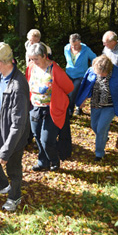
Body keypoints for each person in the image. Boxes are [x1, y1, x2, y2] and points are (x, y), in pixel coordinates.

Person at [0, 42, 30, 212]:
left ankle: (14, 196)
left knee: (13, 168)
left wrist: (6, 150)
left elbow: (19, 123)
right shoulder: (2, 74)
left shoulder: (18, 86)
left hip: (14, 133)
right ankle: (0, 185)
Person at [75, 55, 118, 161]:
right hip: (95, 104)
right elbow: (86, 87)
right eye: (98, 73)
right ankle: (103, 138)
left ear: (108, 69)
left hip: (110, 106)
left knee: (101, 128)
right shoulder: (92, 70)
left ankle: (99, 153)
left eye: (102, 74)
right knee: (94, 126)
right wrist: (82, 100)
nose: (100, 75)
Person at [26, 43, 74, 171]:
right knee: (37, 136)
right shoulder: (31, 67)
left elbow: (69, 87)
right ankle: (43, 162)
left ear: (44, 56)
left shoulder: (54, 69)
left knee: (46, 140)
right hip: (35, 108)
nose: (33, 61)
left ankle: (54, 161)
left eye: (36, 58)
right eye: (31, 59)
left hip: (51, 110)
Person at [64, 33, 97, 116]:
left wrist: (92, 68)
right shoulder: (66, 48)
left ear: (80, 42)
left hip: (80, 75)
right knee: (67, 93)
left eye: (76, 45)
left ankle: (70, 112)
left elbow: (95, 58)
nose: (74, 47)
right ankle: (75, 108)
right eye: (72, 45)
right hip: (69, 73)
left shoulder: (85, 49)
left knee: (72, 93)